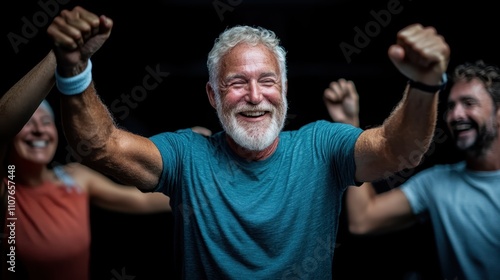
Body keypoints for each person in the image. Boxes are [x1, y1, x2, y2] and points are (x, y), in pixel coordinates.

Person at [47, 6, 450, 279]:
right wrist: (74, 69)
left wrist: (424, 84)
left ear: (285, 90)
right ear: (213, 96)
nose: (255, 96)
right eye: (237, 83)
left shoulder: (321, 146)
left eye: (267, 81)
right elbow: (99, 146)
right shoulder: (188, 154)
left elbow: (400, 150)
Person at [0, 50, 174, 280]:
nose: (40, 129)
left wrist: (200, 178)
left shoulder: (76, 178)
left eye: (46, 122)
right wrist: (60, 54)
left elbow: (140, 199)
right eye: (28, 124)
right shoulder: (7, 193)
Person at [323, 61, 500, 280]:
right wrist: (348, 124)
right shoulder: (437, 183)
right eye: (451, 106)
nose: (455, 115)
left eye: (468, 103)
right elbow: (364, 219)